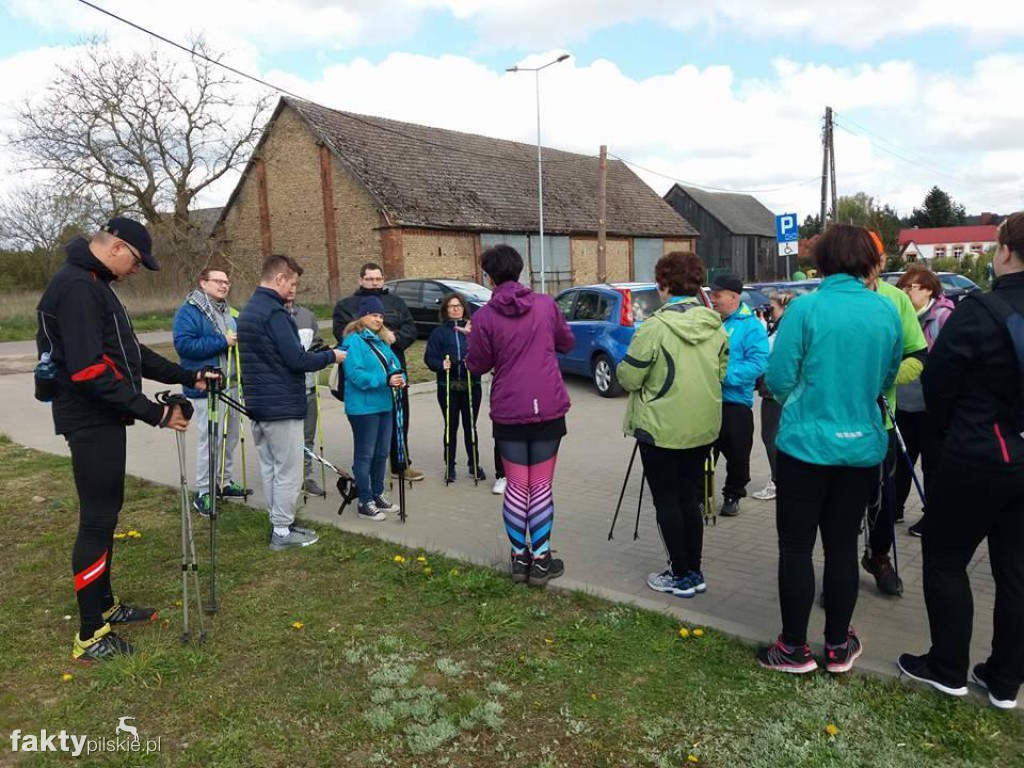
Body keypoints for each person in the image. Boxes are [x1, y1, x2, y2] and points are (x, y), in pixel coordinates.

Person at [36, 217, 210, 662]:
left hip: (103, 417)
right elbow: (89, 370)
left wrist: (188, 375)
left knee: (108, 514)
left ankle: (105, 603)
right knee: (97, 520)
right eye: (136, 261)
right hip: (88, 418)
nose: (136, 271)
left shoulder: (94, 283)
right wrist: (155, 413)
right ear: (115, 247)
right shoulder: (78, 287)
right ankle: (91, 634)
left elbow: (130, 354)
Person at [758, 224, 902, 674]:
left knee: (797, 547)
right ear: (867, 260)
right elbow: (888, 374)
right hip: (860, 447)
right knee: (842, 546)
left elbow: (778, 377)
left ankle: (794, 647)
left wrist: (801, 400)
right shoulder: (886, 310)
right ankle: (838, 646)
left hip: (805, 447)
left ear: (823, 261)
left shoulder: (806, 309)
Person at [897, 212, 1024, 710]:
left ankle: (947, 667)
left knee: (946, 559)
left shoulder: (980, 310)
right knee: (1015, 568)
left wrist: (945, 435)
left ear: (1005, 251)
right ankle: (1005, 680)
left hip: (977, 452)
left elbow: (937, 384)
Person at [617, 251, 728, 598]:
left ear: (664, 285)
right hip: (703, 428)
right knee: (690, 500)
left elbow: (629, 378)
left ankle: (680, 574)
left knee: (667, 501)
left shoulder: (654, 327)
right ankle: (694, 570)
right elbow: (720, 372)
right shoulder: (716, 325)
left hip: (660, 430)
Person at [467, 244, 575, 587]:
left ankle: (519, 559)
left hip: (509, 409)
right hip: (547, 406)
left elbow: (478, 365)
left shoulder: (483, 317)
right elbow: (567, 343)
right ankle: (541, 560)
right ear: (520, 270)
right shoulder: (546, 305)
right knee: (540, 485)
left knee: (517, 486)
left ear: (489, 276)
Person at [237, 255, 343, 551]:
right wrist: (330, 356)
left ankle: (279, 522)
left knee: (271, 468)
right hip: (281, 404)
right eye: (292, 282)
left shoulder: (248, 311)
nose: (293, 288)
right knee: (289, 471)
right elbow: (297, 359)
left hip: (259, 403)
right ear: (279, 278)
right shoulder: (275, 313)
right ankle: (282, 532)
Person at [860, 234, 928, 596]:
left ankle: (879, 556)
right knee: (840, 505)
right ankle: (840, 569)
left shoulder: (896, 300)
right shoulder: (823, 302)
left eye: (873, 259)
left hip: (881, 422)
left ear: (883, 263)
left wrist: (883, 383)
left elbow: (918, 356)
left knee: (884, 500)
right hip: (835, 423)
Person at [333, 263, 422, 481]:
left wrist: (391, 339)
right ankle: (369, 471)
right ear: (360, 280)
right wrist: (375, 338)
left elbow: (410, 329)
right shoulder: (346, 305)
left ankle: (400, 463)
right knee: (370, 425)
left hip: (394, 368)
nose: (375, 283)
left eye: (378, 279)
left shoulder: (396, 302)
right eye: (370, 279)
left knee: (400, 418)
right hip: (365, 372)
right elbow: (342, 334)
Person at [172, 268, 251, 515]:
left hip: (231, 386)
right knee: (211, 440)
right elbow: (184, 345)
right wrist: (222, 342)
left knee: (230, 438)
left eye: (227, 281)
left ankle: (225, 483)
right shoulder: (189, 311)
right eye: (218, 281)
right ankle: (204, 492)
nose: (224, 285)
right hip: (206, 387)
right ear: (203, 283)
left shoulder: (228, 312)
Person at [892, 266, 954, 536]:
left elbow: (950, 364)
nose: (905, 292)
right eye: (902, 287)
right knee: (901, 462)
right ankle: (893, 509)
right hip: (903, 403)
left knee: (932, 465)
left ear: (928, 289)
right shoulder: (901, 316)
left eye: (910, 287)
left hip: (931, 407)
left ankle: (933, 516)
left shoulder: (942, 318)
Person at [340, 296, 407, 520]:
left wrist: (400, 378)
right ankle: (364, 500)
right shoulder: (353, 341)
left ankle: (378, 494)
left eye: (380, 316)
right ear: (363, 316)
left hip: (384, 404)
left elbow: (395, 367)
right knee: (365, 455)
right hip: (362, 408)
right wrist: (384, 381)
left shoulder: (382, 342)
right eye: (373, 315)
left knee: (381, 454)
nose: (378, 319)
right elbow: (354, 374)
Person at [708, 273, 769, 517]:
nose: (712, 299)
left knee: (737, 454)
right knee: (701, 452)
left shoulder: (750, 325)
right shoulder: (711, 322)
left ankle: (733, 495)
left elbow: (757, 364)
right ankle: (701, 495)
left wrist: (724, 375)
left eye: (717, 295)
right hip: (707, 401)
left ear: (733, 297)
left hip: (735, 402)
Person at [424, 293, 486, 482]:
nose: (455, 309)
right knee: (450, 427)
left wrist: (474, 362)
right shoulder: (439, 333)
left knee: (470, 426)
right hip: (448, 387)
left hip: (471, 385)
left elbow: (484, 353)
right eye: (451, 306)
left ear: (464, 308)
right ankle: (450, 466)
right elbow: (429, 357)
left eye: (458, 305)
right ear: (446, 310)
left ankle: (473, 464)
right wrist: (440, 364)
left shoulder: (473, 330)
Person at [752, 291, 796, 502]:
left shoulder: (784, 329)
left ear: (784, 308)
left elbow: (766, 350)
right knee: (776, 435)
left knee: (770, 436)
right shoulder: (785, 326)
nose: (769, 312)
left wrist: (760, 330)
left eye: (772, 308)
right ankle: (783, 479)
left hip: (774, 390)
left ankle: (777, 481)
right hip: (779, 388)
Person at [287, 299, 325, 497]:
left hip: (309, 386)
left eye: (294, 283)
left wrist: (321, 350)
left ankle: (306, 475)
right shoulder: (271, 315)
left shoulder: (307, 315)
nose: (291, 289)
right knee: (286, 438)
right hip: (285, 391)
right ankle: (287, 477)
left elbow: (317, 341)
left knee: (307, 436)